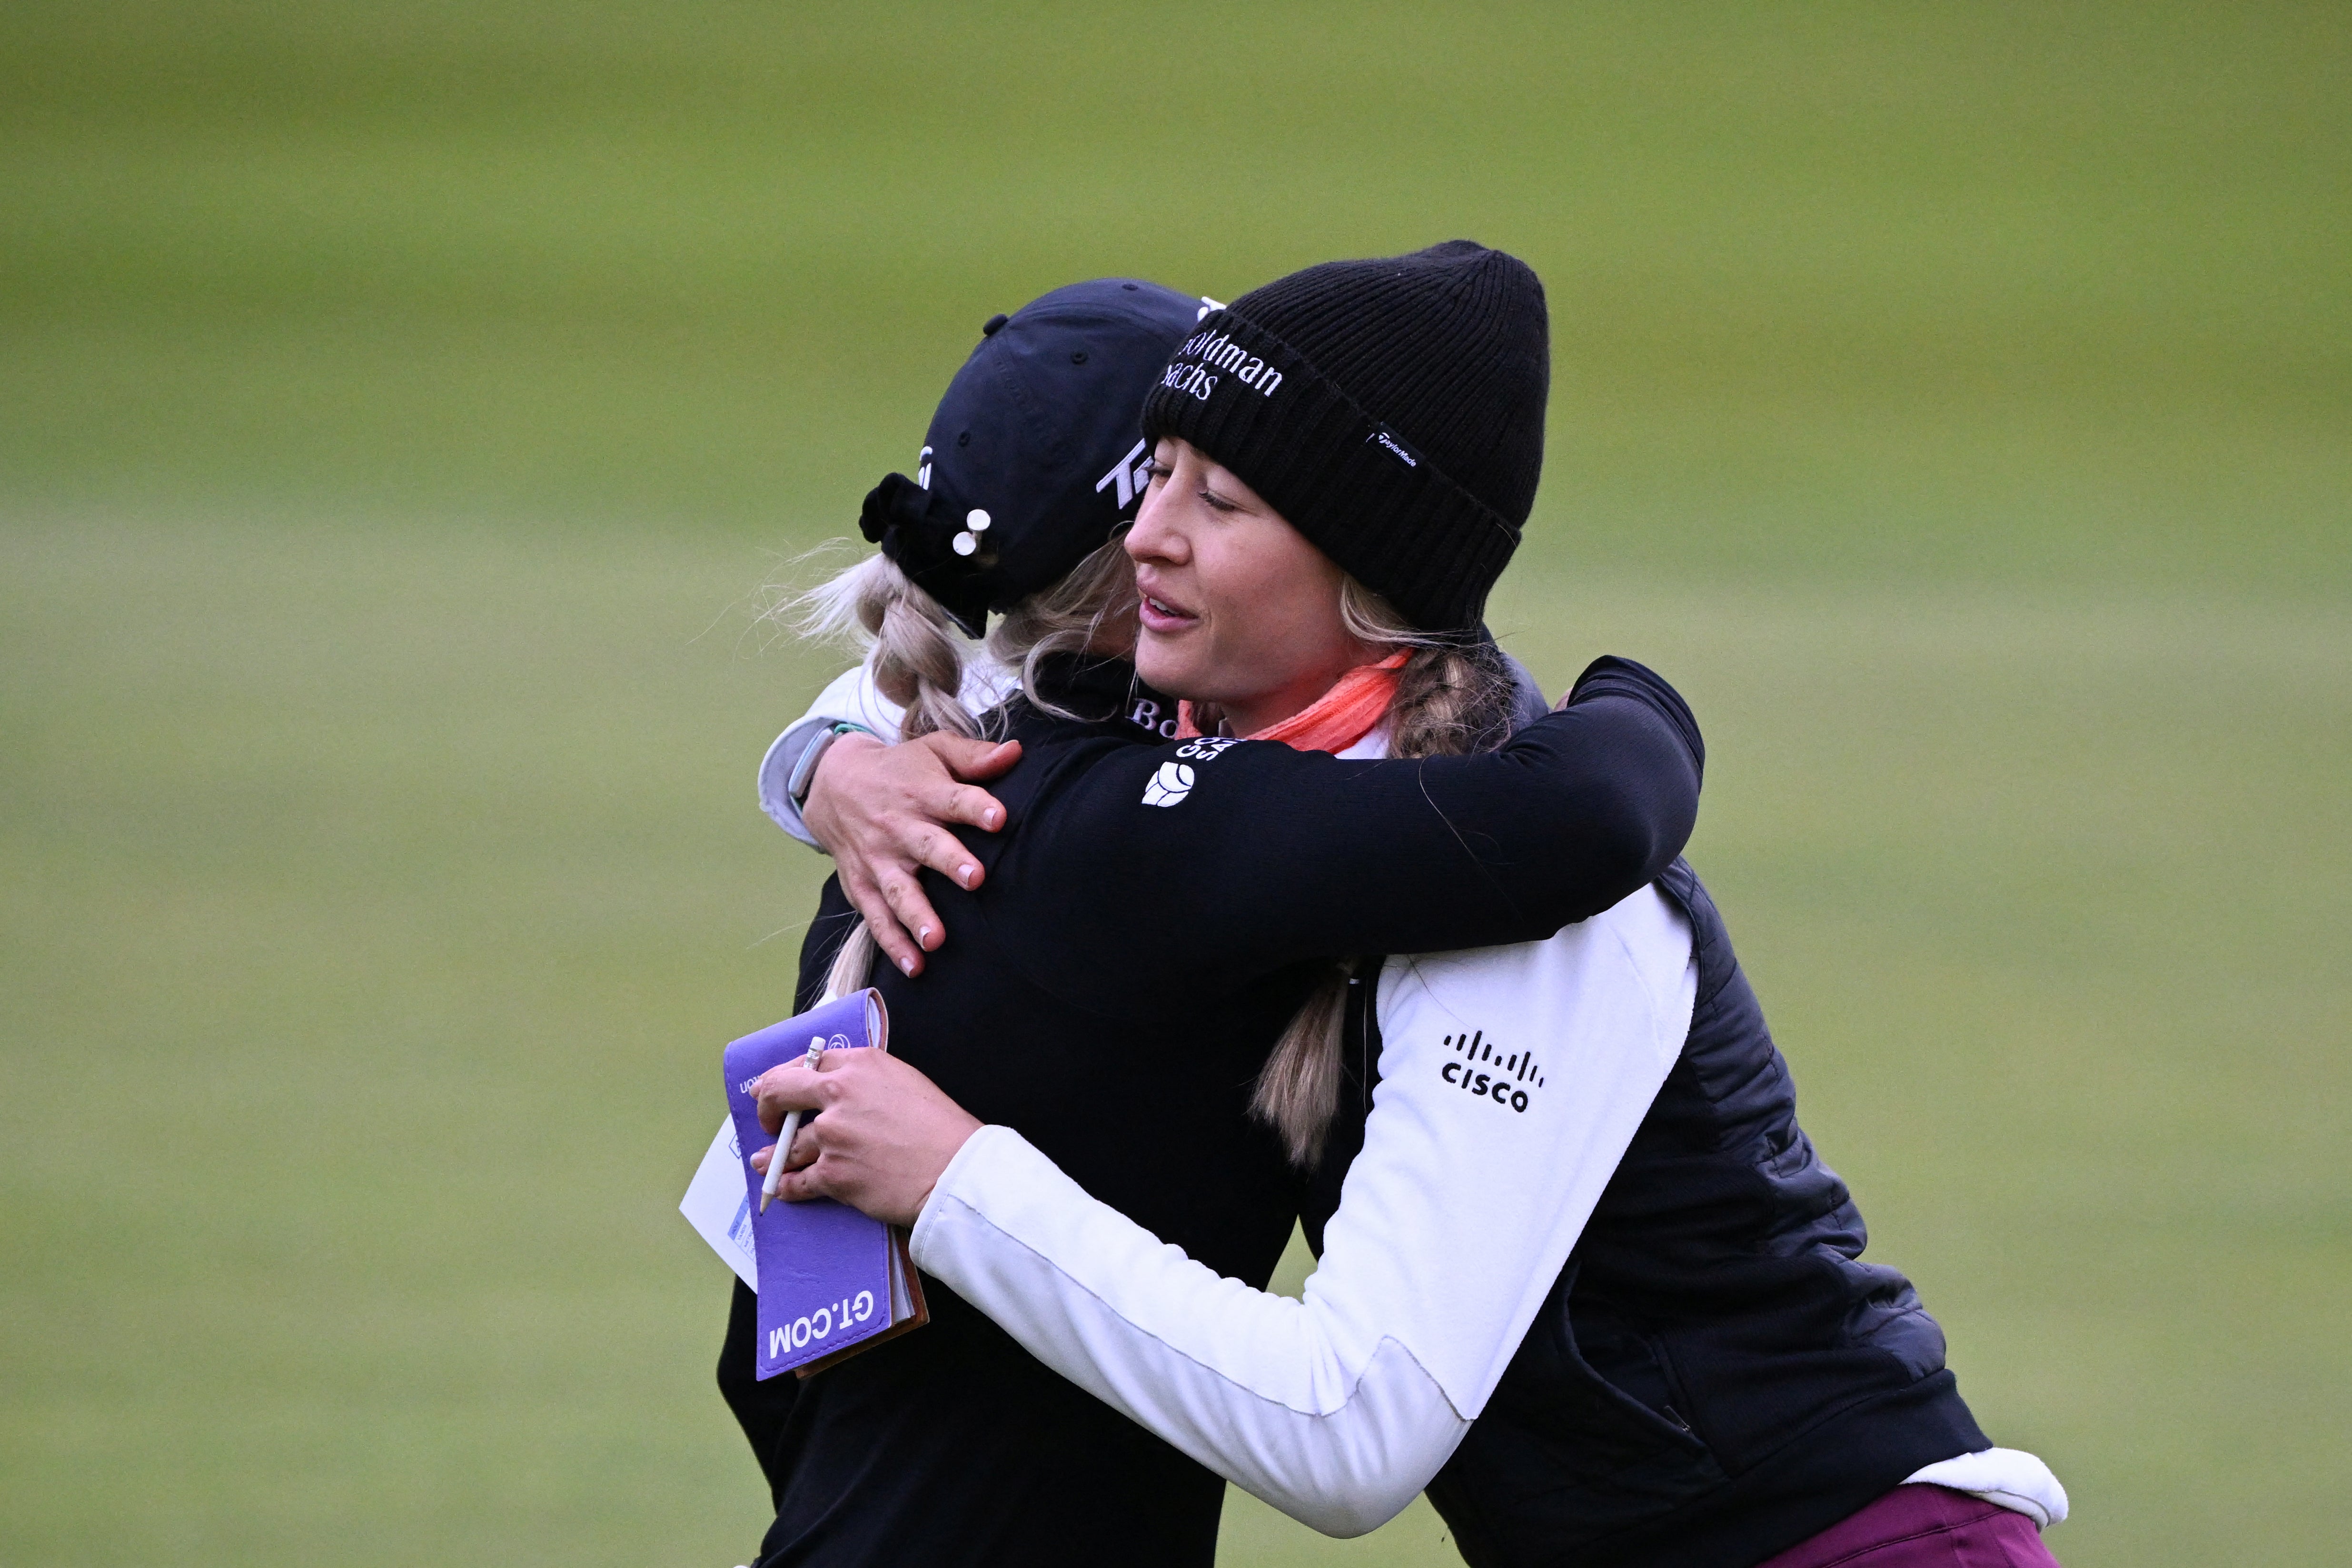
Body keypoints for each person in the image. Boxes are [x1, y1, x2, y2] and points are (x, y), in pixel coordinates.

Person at [754, 246, 2069, 1567]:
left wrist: (956, 1178)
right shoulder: (1234, 780)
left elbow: (1352, 1432)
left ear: (1361, 563)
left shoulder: (1514, 893)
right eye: (1157, 473)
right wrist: (833, 768)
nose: (1149, 531)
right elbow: (943, 699)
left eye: (1224, 500)